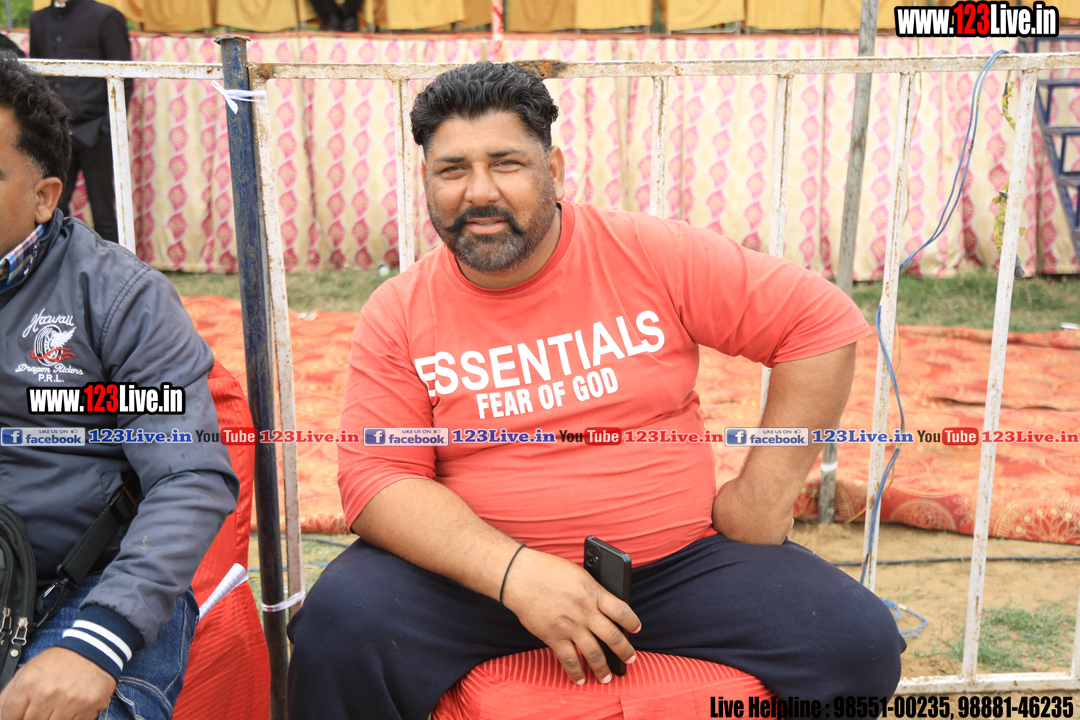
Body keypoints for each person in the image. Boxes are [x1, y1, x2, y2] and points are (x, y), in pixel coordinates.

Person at [287, 62, 907, 720]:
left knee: (855, 642)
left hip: (674, 569)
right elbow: (378, 477)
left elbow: (817, 324)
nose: (479, 191)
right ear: (426, 181)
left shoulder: (647, 253)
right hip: (475, 586)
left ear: (553, 168)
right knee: (339, 629)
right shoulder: (400, 310)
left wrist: (763, 499)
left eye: (506, 164)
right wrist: (516, 574)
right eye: (452, 170)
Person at [0, 58, 238, 720]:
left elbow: (188, 474)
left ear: (44, 196)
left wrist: (96, 642)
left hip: (88, 589)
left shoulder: (117, 300)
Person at [29, 0, 132, 243]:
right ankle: (57, 260)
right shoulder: (38, 19)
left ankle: (112, 264)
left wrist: (109, 125)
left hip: (97, 129)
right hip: (55, 131)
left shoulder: (106, 16)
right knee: (52, 207)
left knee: (104, 209)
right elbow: (37, 75)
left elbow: (124, 75)